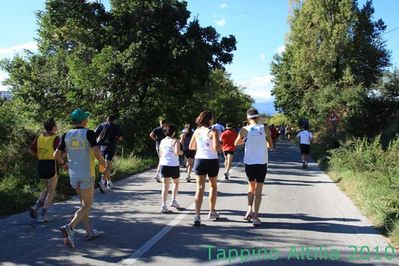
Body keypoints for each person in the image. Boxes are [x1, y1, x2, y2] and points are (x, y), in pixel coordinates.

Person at [54, 108, 109, 248]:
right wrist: (105, 165)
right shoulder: (89, 133)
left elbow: (56, 155)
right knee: (87, 205)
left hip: (73, 174)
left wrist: (64, 164)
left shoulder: (66, 135)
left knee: (83, 205)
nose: (87, 120)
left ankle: (89, 231)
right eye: (86, 118)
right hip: (86, 173)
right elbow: (97, 153)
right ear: (83, 120)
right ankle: (70, 227)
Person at [235, 108, 273, 227]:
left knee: (251, 187)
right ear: (258, 117)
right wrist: (264, 144)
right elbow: (270, 145)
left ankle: (249, 210)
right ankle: (256, 216)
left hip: (249, 162)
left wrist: (246, 140)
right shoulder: (265, 128)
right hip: (261, 162)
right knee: (259, 190)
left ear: (248, 118)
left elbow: (236, 144)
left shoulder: (244, 129)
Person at [189, 111, 221, 226]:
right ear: (210, 120)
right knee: (213, 186)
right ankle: (212, 211)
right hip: (211, 160)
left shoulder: (197, 131)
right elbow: (216, 148)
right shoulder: (213, 131)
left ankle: (197, 216)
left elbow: (191, 146)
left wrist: (201, 145)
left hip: (199, 160)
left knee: (199, 187)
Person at [27, 118, 60, 223]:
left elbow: (30, 150)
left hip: (41, 164)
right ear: (53, 127)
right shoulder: (56, 138)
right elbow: (58, 152)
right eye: (56, 126)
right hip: (51, 164)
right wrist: (64, 162)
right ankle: (43, 215)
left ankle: (35, 207)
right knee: (51, 191)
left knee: (46, 189)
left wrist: (39, 156)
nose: (57, 127)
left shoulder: (39, 136)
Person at [94, 115, 123, 192]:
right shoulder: (116, 126)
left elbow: (94, 134)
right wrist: (116, 138)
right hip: (110, 147)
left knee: (103, 164)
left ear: (106, 119)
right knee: (108, 166)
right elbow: (120, 138)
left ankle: (109, 182)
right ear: (113, 120)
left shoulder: (101, 125)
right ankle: (102, 181)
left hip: (100, 148)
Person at [159, 123, 183, 213]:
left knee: (165, 186)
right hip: (173, 165)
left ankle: (163, 205)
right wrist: (181, 152)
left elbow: (161, 154)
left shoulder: (162, 141)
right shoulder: (175, 141)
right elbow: (177, 152)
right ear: (173, 133)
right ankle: (173, 200)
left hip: (164, 164)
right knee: (176, 183)